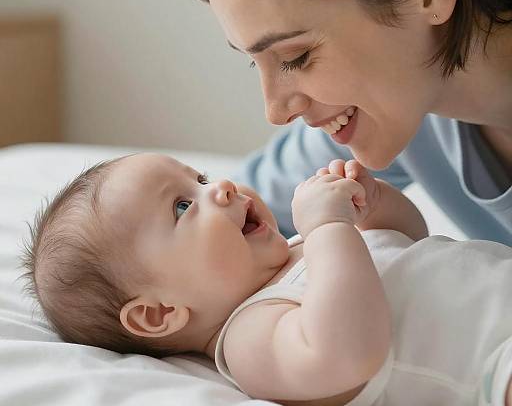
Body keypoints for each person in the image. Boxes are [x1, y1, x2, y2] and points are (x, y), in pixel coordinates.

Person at [21, 152, 512, 405]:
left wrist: (375, 206)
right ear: (158, 312)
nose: (222, 187)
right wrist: (329, 227)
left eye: (203, 178)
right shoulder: (250, 336)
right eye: (182, 206)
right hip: (492, 365)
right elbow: (346, 352)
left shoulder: (299, 250)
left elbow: (409, 244)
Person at [170, 0, 512, 244]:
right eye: (253, 59)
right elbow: (206, 239)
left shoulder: (395, 95)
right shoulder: (398, 100)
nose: (275, 111)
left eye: (296, 56)